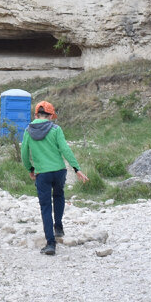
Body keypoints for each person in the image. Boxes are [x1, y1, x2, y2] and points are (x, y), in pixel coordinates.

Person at [20, 100, 89, 256]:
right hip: (59, 171)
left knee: (45, 206)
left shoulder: (28, 130)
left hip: (42, 174)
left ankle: (50, 244)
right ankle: (58, 227)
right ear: (50, 116)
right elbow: (65, 149)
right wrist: (77, 168)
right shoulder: (56, 129)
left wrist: (30, 168)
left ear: (36, 115)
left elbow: (24, 154)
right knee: (58, 196)